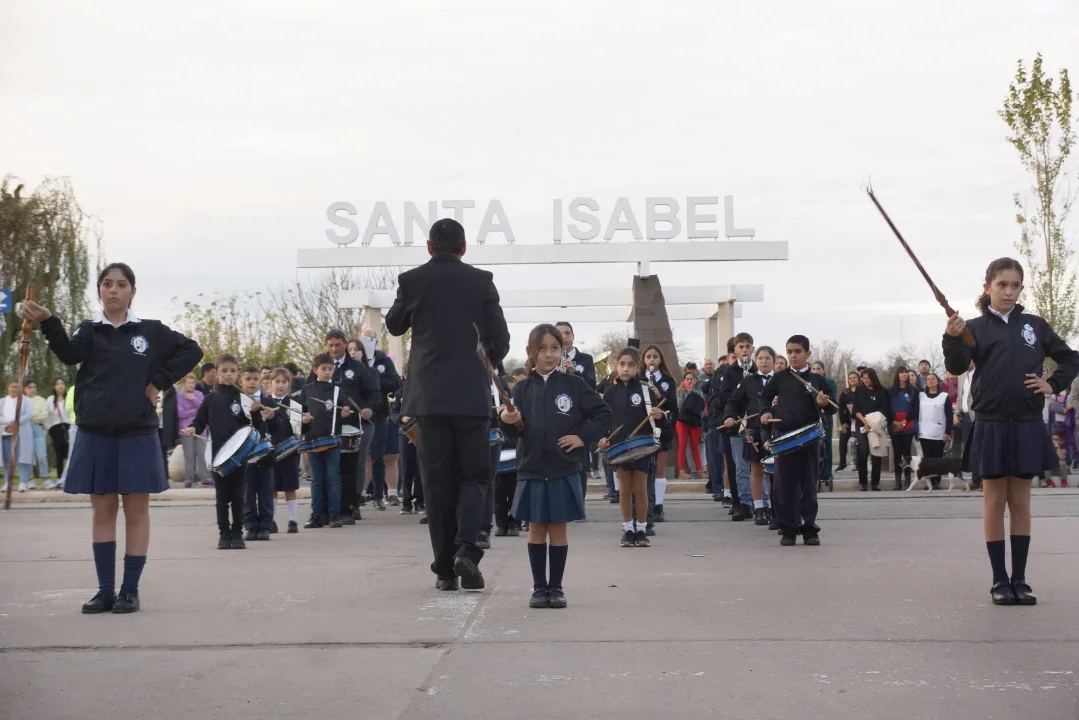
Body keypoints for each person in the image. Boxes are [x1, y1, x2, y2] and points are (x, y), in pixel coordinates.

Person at [23, 262, 202, 614]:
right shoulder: (89, 331)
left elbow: (192, 351)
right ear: (100, 290)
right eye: (107, 284)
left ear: (132, 291)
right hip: (96, 432)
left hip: (137, 431)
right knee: (102, 510)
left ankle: (129, 591)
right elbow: (69, 354)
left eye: (122, 284)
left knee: (136, 511)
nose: (114, 290)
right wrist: (48, 321)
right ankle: (105, 591)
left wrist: (159, 381)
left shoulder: (149, 331)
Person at [943, 257, 1079, 605]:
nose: (1008, 291)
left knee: (1020, 502)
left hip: (1026, 423)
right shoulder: (973, 328)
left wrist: (1053, 385)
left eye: (1015, 285)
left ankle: (1020, 579)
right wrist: (951, 337)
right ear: (987, 286)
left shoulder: (1034, 325)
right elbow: (956, 365)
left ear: (1021, 288)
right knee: (993, 502)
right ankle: (999, 581)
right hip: (990, 423)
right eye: (1001, 284)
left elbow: (1071, 358)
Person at [385, 217, 511, 591]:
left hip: (428, 398)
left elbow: (393, 326)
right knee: (474, 476)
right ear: (464, 247)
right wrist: (483, 353)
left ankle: (443, 571)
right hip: (471, 396)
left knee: (437, 482)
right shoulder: (481, 281)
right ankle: (467, 552)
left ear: (428, 246)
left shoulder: (411, 281)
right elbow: (501, 340)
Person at [501, 324, 611, 607]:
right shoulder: (522, 388)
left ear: (562, 352)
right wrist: (508, 422)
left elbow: (602, 413)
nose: (548, 355)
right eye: (542, 349)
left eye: (554, 348)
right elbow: (517, 433)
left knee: (558, 528)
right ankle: (539, 588)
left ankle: (557, 588)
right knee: (537, 528)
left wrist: (582, 437)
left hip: (564, 467)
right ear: (530, 352)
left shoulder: (574, 385)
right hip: (532, 467)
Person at [186, 355, 271, 548]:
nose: (229, 374)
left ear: (237, 373)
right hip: (218, 454)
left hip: (240, 456)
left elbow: (256, 429)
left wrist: (257, 413)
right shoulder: (210, 399)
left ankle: (237, 533)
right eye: (224, 371)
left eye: (233, 371)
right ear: (216, 373)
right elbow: (199, 421)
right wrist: (192, 428)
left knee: (238, 496)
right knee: (222, 498)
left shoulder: (245, 399)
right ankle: (224, 534)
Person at [759, 336, 836, 546]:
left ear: (808, 354)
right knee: (784, 485)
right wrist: (765, 412)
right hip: (785, 439)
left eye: (798, 351)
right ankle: (789, 529)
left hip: (810, 439)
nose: (793, 355)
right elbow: (764, 398)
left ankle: (809, 527)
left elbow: (832, 407)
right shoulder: (779, 377)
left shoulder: (817, 380)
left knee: (809, 484)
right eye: (790, 351)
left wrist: (824, 403)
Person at [600, 346, 666, 547]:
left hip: (642, 446)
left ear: (638, 367)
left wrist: (659, 416)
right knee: (625, 490)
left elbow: (660, 422)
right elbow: (604, 419)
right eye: (621, 364)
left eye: (630, 365)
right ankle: (628, 528)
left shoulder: (646, 391)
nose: (625, 369)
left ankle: (642, 527)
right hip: (619, 447)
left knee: (641, 489)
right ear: (615, 366)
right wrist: (603, 437)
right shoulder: (610, 392)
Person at [317, 331, 377, 524]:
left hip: (352, 425)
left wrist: (368, 408)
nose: (334, 349)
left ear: (345, 344)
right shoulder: (321, 366)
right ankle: (326, 508)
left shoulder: (358, 368)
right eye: (331, 345)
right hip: (327, 425)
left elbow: (374, 394)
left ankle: (350, 506)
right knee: (328, 468)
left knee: (350, 466)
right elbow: (312, 391)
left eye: (338, 345)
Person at [722, 345, 777, 525]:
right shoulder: (749, 381)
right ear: (755, 360)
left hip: (778, 430)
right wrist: (729, 416)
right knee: (756, 468)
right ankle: (759, 508)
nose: (764, 361)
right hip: (754, 428)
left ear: (774, 361)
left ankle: (775, 508)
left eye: (768, 358)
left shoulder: (781, 380)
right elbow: (734, 401)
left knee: (775, 471)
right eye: (760, 358)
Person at [299, 353, 353, 529]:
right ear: (315, 370)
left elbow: (344, 414)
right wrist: (303, 419)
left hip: (332, 440)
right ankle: (316, 515)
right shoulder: (307, 390)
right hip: (313, 440)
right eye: (323, 369)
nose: (327, 372)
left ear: (334, 370)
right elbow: (300, 413)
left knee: (332, 478)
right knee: (316, 479)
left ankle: (334, 515)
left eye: (330, 369)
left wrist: (345, 414)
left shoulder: (338, 390)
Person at [360, 328, 402, 509]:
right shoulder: (355, 362)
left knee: (386, 455)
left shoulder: (384, 360)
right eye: (364, 339)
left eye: (370, 339)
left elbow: (395, 383)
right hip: (359, 413)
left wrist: (375, 379)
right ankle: (361, 492)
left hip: (381, 412)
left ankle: (389, 493)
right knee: (365, 457)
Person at [717, 333, 756, 520]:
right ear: (735, 350)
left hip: (755, 423)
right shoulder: (729, 372)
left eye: (748, 346)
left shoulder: (758, 369)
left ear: (753, 349)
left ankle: (760, 502)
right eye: (741, 347)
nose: (745, 350)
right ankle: (741, 502)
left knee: (757, 465)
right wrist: (742, 387)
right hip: (736, 424)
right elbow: (724, 398)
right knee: (738, 466)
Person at [556, 322, 596, 497]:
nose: (564, 337)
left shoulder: (585, 359)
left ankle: (579, 501)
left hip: (578, 416)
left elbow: (592, 386)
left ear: (573, 336)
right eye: (560, 333)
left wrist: (574, 373)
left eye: (567, 333)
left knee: (579, 460)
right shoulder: (549, 357)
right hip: (556, 413)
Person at [239, 366, 279, 540]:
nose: (252, 382)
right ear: (241, 382)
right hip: (245, 455)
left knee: (265, 491)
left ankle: (265, 526)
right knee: (247, 492)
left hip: (264, 455)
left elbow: (279, 428)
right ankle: (250, 525)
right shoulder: (236, 403)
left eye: (255, 379)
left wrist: (273, 419)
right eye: (248, 379)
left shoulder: (268, 402)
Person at [640, 343, 678, 526]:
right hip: (644, 428)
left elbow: (673, 405)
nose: (652, 360)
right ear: (643, 360)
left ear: (660, 359)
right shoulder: (638, 378)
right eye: (648, 357)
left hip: (662, 427)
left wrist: (659, 393)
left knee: (660, 468)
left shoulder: (668, 380)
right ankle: (644, 505)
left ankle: (658, 506)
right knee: (645, 469)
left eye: (655, 357)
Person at [345, 337, 379, 517]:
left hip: (363, 423)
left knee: (359, 461)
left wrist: (369, 408)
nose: (352, 352)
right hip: (342, 422)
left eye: (355, 349)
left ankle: (356, 499)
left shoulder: (370, 372)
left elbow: (376, 396)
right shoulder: (336, 369)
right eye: (349, 349)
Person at [266, 368, 302, 533]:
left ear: (289, 384)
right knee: (271, 487)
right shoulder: (265, 403)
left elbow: (300, 429)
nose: (280, 385)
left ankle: (292, 520)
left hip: (289, 451)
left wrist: (306, 422)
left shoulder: (295, 405)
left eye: (284, 382)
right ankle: (271, 520)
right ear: (270, 383)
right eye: (277, 381)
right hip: (270, 451)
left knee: (290, 487)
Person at [853, 368, 890, 491]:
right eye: (863, 378)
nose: (865, 380)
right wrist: (866, 422)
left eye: (868, 378)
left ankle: (875, 482)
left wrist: (874, 423)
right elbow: (856, 410)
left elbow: (884, 410)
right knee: (862, 453)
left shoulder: (882, 391)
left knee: (876, 454)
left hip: (876, 425)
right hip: (863, 425)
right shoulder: (859, 390)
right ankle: (863, 482)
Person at [918, 372, 954, 490]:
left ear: (937, 381)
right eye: (928, 379)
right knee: (927, 459)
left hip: (939, 432)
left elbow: (949, 416)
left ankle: (937, 482)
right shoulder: (921, 396)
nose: (930, 381)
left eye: (933, 379)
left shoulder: (944, 396)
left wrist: (947, 432)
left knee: (937, 458)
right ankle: (929, 483)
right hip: (924, 431)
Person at [888, 366, 920, 490]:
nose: (904, 374)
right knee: (897, 452)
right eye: (901, 372)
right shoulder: (890, 390)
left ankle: (907, 479)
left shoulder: (913, 390)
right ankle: (897, 481)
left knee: (907, 452)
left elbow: (915, 408)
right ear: (897, 375)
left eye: (906, 372)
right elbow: (887, 407)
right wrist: (893, 421)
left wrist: (906, 421)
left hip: (909, 423)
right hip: (894, 424)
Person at [1, 378, 33, 492]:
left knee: (22, 458)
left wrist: (16, 422)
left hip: (22, 433)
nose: (14, 388)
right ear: (8, 388)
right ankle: (7, 482)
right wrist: (8, 423)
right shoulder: (2, 401)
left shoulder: (26, 400)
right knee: (7, 458)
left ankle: (23, 482)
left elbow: (29, 414)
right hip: (6, 432)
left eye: (16, 386)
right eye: (12, 386)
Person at [176, 374, 208, 488]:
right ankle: (189, 479)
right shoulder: (179, 396)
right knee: (189, 455)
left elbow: (204, 408)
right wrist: (195, 411)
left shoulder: (199, 395)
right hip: (185, 429)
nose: (191, 385)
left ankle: (205, 478)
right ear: (184, 384)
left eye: (193, 383)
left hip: (200, 428)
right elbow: (181, 413)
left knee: (202, 453)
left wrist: (193, 400)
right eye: (188, 383)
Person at [675, 370, 705, 479]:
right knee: (682, 445)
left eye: (691, 379)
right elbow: (679, 406)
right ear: (683, 381)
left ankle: (699, 470)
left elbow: (701, 408)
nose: (689, 381)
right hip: (682, 421)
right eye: (687, 379)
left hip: (694, 422)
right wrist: (687, 393)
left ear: (695, 380)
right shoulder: (680, 391)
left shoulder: (699, 392)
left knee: (695, 446)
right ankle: (681, 471)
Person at [812, 361, 837, 489]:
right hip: (813, 416)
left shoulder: (829, 382)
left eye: (818, 368)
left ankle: (827, 474)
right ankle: (815, 475)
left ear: (823, 370)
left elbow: (832, 399)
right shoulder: (810, 381)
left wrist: (824, 406)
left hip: (826, 415)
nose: (816, 371)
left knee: (826, 444)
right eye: (814, 368)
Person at [46, 378, 73, 488]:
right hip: (55, 427)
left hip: (68, 426)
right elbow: (48, 415)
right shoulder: (50, 399)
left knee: (70, 453)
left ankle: (70, 477)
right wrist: (47, 428)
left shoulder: (69, 398)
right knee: (59, 453)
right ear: (54, 386)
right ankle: (60, 478)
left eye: (62, 383)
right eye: (57, 384)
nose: (60, 386)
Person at [24, 380, 50, 484]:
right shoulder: (22, 400)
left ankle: (46, 478)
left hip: (39, 429)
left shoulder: (42, 400)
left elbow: (44, 415)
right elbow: (21, 416)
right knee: (29, 455)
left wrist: (30, 416)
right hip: (25, 429)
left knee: (42, 455)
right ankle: (30, 480)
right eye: (29, 387)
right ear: (25, 389)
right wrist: (34, 414)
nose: (32, 389)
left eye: (34, 387)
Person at [836, 371, 860, 472]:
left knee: (858, 443)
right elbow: (841, 408)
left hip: (859, 422)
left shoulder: (862, 391)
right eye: (850, 378)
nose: (852, 379)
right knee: (843, 441)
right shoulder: (845, 393)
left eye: (854, 377)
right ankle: (842, 463)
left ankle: (858, 464)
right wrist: (843, 423)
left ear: (858, 379)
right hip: (848, 422)